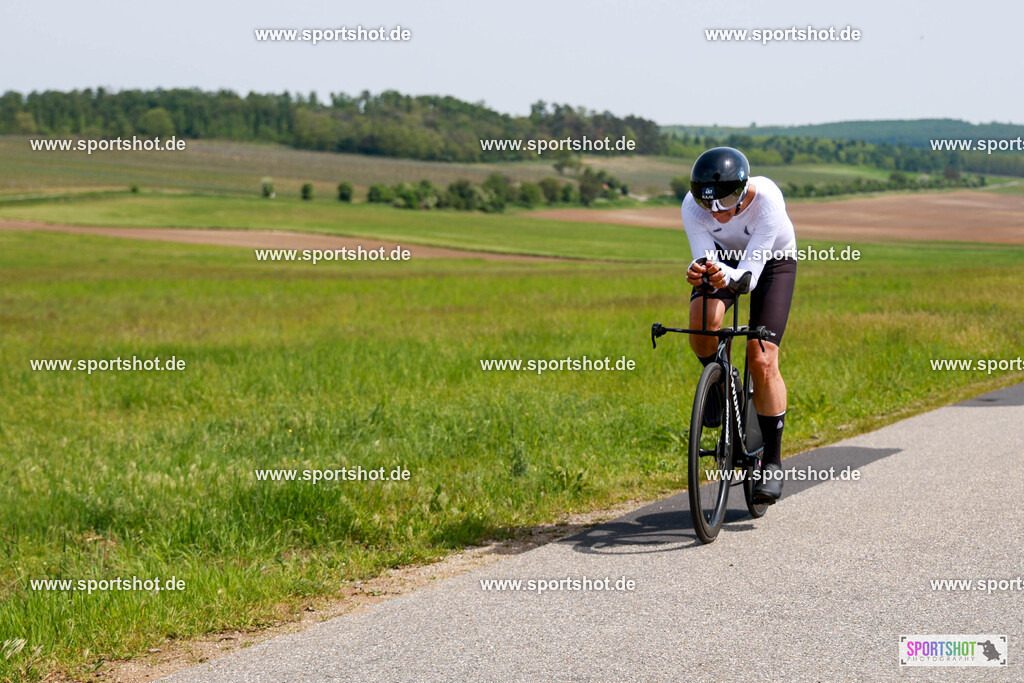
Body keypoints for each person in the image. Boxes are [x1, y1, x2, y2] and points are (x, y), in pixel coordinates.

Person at [681, 147, 797, 504]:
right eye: (707, 204)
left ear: (745, 187)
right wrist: (701, 269)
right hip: (726, 258)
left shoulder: (768, 202)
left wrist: (721, 273)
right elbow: (706, 256)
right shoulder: (691, 205)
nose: (718, 211)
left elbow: (747, 276)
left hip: (770, 262)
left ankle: (772, 463)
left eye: (728, 199)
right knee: (703, 326)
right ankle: (722, 383)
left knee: (761, 358)